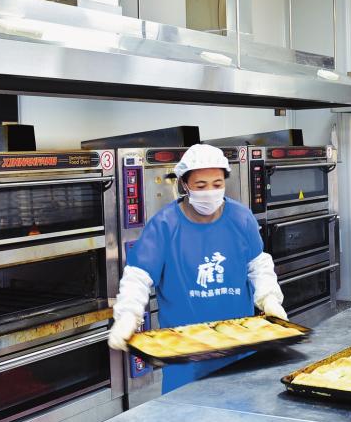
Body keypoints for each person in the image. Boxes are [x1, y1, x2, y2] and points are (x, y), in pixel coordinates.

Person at [107, 143, 287, 392]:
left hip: (239, 346)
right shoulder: (164, 225)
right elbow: (138, 276)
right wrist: (128, 314)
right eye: (201, 186)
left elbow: (258, 265)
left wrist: (269, 299)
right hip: (186, 353)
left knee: (243, 409)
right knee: (186, 413)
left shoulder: (241, 218)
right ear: (185, 184)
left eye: (217, 184)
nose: (210, 192)